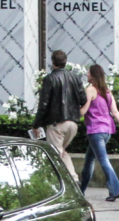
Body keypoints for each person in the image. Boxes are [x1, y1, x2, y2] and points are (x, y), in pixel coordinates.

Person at [34, 50, 87, 181]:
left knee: (54, 156)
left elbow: (43, 104)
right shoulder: (75, 77)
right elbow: (83, 99)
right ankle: (74, 179)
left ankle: (54, 185)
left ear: (52, 62)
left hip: (57, 123)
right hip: (73, 123)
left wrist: (36, 125)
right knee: (61, 152)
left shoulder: (49, 79)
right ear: (65, 61)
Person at [80, 64, 119, 202]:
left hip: (95, 131)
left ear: (94, 75)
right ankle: (80, 191)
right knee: (89, 160)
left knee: (103, 160)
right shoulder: (107, 92)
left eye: (88, 72)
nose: (86, 74)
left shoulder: (90, 90)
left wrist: (70, 113)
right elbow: (115, 112)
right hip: (107, 130)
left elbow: (83, 111)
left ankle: (116, 189)